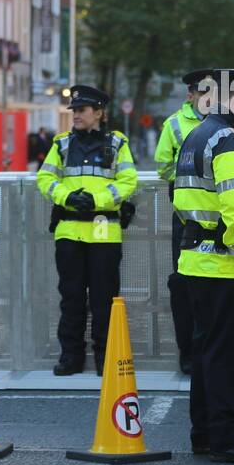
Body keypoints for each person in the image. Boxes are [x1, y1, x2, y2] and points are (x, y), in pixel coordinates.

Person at [174, 68, 234, 463]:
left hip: (197, 263)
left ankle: (205, 433)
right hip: (227, 267)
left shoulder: (198, 135)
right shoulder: (230, 142)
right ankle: (230, 438)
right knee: (231, 357)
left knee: (207, 355)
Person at [35, 86, 138, 376]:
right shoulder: (62, 144)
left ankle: (105, 357)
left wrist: (97, 200)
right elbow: (44, 178)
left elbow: (129, 180)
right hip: (69, 231)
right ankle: (71, 356)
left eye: (81, 110)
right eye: (74, 111)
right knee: (71, 297)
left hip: (104, 231)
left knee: (105, 299)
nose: (76, 115)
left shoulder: (117, 143)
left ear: (99, 113)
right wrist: (67, 197)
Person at [153, 68, 211, 374]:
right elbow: (163, 165)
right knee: (184, 285)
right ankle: (187, 353)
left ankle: (210, 351)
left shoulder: (227, 123)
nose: (208, 98)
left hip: (218, 217)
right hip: (186, 219)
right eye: (203, 92)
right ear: (191, 96)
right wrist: (195, 176)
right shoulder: (174, 124)